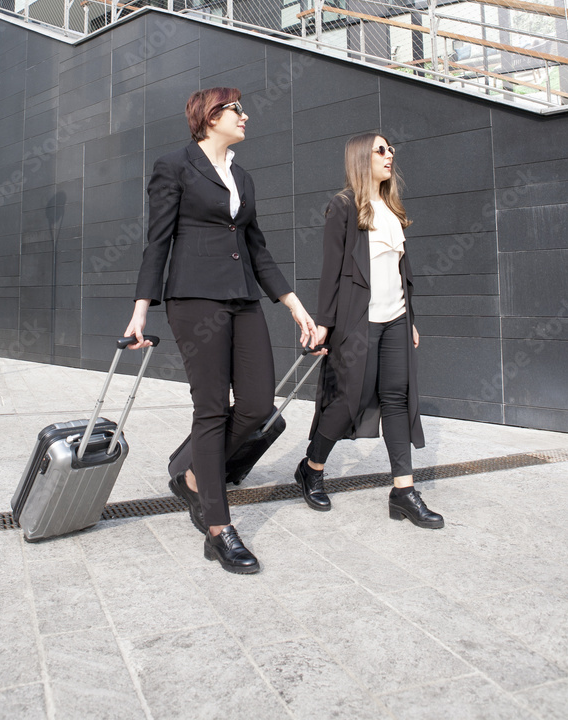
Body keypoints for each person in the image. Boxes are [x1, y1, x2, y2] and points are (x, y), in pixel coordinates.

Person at [124, 87, 318, 573]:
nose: (245, 116)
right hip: (194, 300)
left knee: (257, 405)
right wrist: (141, 308)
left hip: (243, 298)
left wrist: (294, 305)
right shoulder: (174, 166)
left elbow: (257, 248)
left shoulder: (242, 176)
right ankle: (218, 529)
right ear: (210, 116)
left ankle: (194, 474)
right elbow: (157, 241)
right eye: (237, 109)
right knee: (210, 409)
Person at [295, 132, 444, 528]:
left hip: (396, 320)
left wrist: (410, 319)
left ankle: (403, 491)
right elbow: (331, 271)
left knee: (397, 399)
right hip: (357, 322)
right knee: (349, 401)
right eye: (381, 150)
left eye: (391, 149)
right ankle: (312, 467)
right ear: (362, 157)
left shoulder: (392, 209)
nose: (389, 154)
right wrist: (324, 324)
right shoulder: (344, 206)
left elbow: (400, 272)